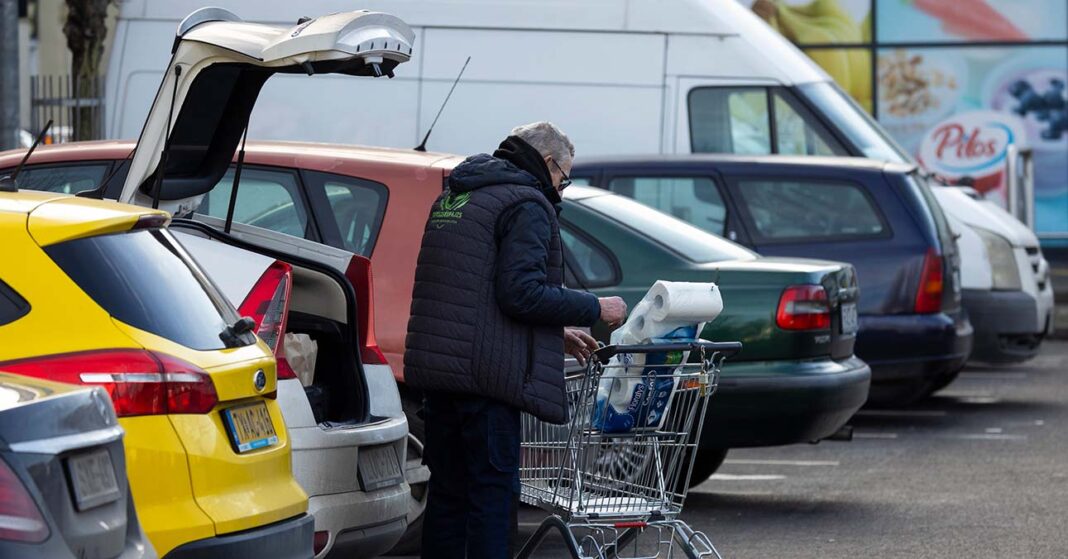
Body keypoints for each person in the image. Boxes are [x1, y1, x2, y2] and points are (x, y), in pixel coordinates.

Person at [404, 121, 627, 558]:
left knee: (448, 496)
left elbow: (476, 292)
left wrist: (554, 330)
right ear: (547, 163)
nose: (562, 188)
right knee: (492, 496)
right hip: (487, 380)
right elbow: (519, 292)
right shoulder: (527, 203)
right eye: (564, 176)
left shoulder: (457, 195)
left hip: (440, 373)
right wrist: (594, 308)